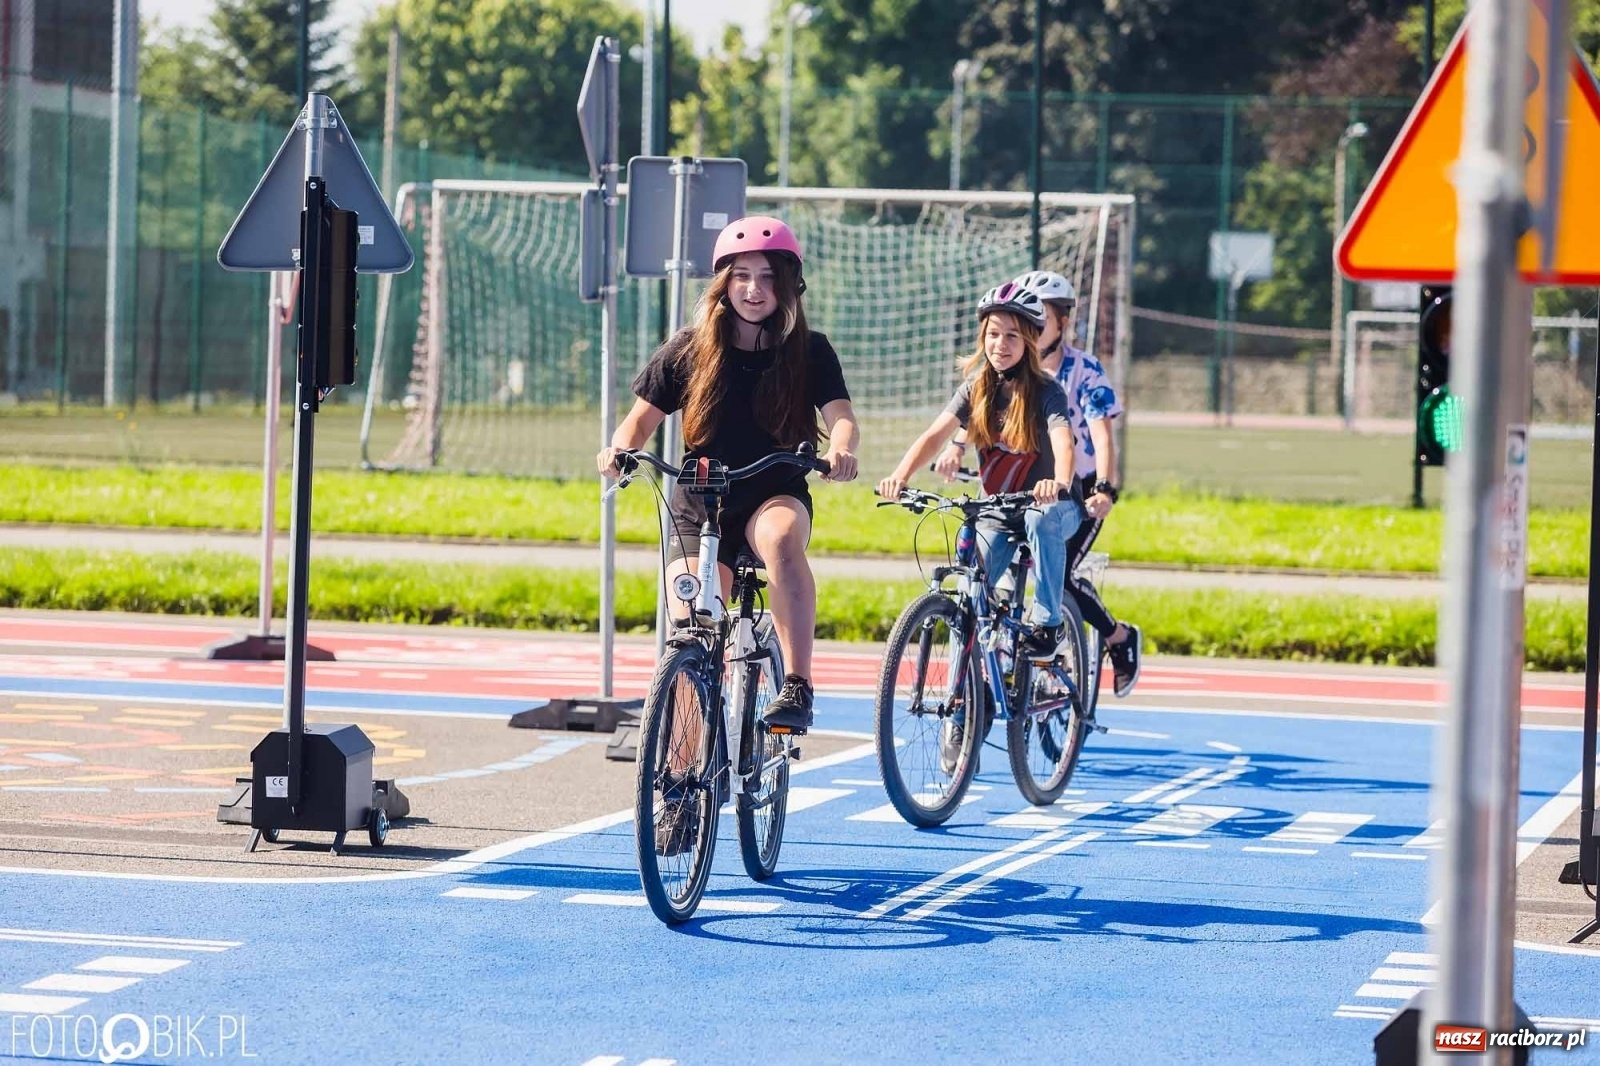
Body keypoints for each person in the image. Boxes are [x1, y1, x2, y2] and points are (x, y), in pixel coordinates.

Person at [598, 216, 860, 742]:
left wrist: (841, 450)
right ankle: (679, 788)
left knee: (782, 541)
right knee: (691, 636)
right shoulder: (689, 350)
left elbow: (842, 418)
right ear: (723, 283)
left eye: (767, 277)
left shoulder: (810, 350)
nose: (753, 289)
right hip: (698, 500)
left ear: (788, 285)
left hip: (774, 488)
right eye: (741, 275)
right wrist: (619, 451)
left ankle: (798, 686)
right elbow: (637, 424)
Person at [938, 269, 1142, 698]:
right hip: (1014, 490)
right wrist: (956, 446)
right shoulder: (998, 373)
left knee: (1059, 575)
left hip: (1074, 491)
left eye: (1039, 318)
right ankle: (977, 685)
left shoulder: (1081, 371)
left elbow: (1100, 432)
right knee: (983, 577)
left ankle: (1116, 637)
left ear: (1059, 323)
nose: (1024, 329)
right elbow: (973, 416)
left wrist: (1105, 485)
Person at [878, 281, 1082, 662]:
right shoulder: (976, 387)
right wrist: (900, 475)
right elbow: (935, 435)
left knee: (1041, 520)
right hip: (1000, 510)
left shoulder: (1046, 390)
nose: (1000, 345)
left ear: (1029, 343)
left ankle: (1049, 623)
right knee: (971, 592)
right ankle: (970, 692)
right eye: (992, 334)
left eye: (1011, 337)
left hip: (1054, 506)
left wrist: (1061, 483)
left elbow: (1063, 441)